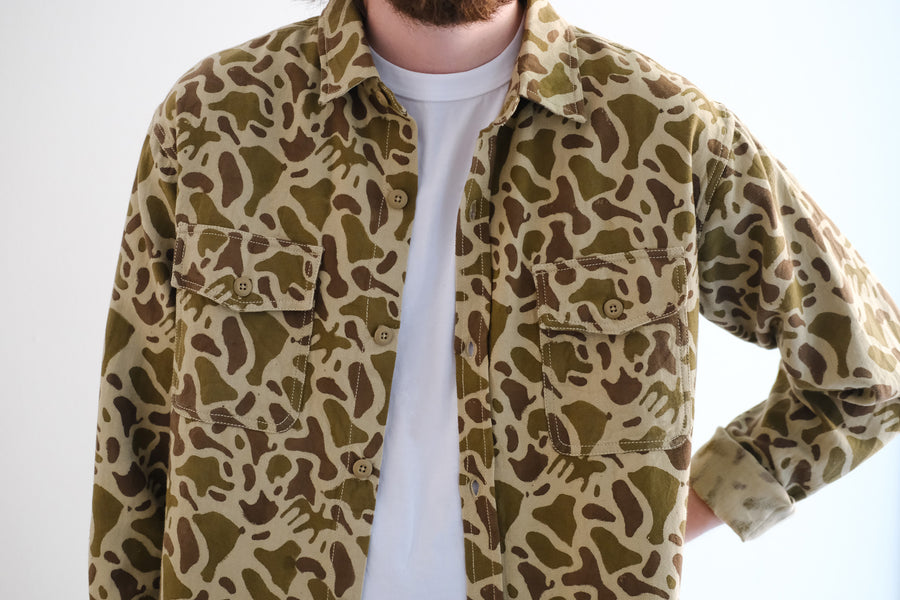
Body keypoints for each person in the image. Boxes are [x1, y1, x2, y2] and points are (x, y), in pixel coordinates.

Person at [88, 0, 900, 598]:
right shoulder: (214, 120)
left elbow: (870, 373)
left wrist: (665, 516)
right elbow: (136, 429)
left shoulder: (661, 135)